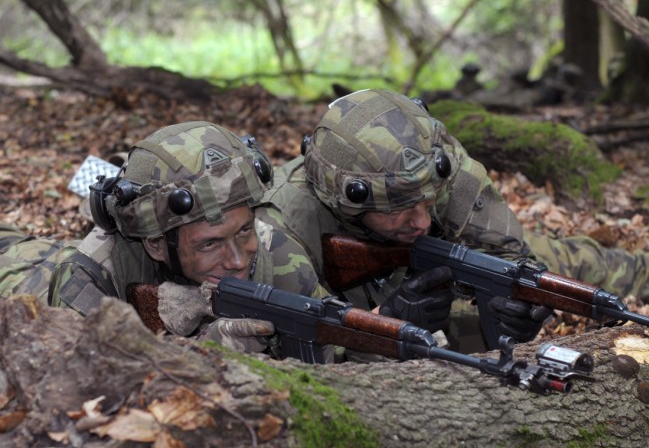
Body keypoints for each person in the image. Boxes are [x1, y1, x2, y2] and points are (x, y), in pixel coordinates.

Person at [256, 88, 649, 351]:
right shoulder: (282, 225)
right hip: (346, 300)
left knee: (558, 260)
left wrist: (508, 315)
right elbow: (301, 354)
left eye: (428, 200)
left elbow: (510, 256)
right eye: (399, 208)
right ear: (347, 200)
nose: (420, 219)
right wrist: (385, 323)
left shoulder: (443, 168)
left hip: (430, 275)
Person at [47, 120, 451, 354]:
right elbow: (87, 393)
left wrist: (388, 326)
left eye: (243, 230)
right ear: (155, 244)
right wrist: (208, 352)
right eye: (209, 243)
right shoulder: (90, 277)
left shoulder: (273, 249)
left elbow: (330, 345)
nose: (238, 259)